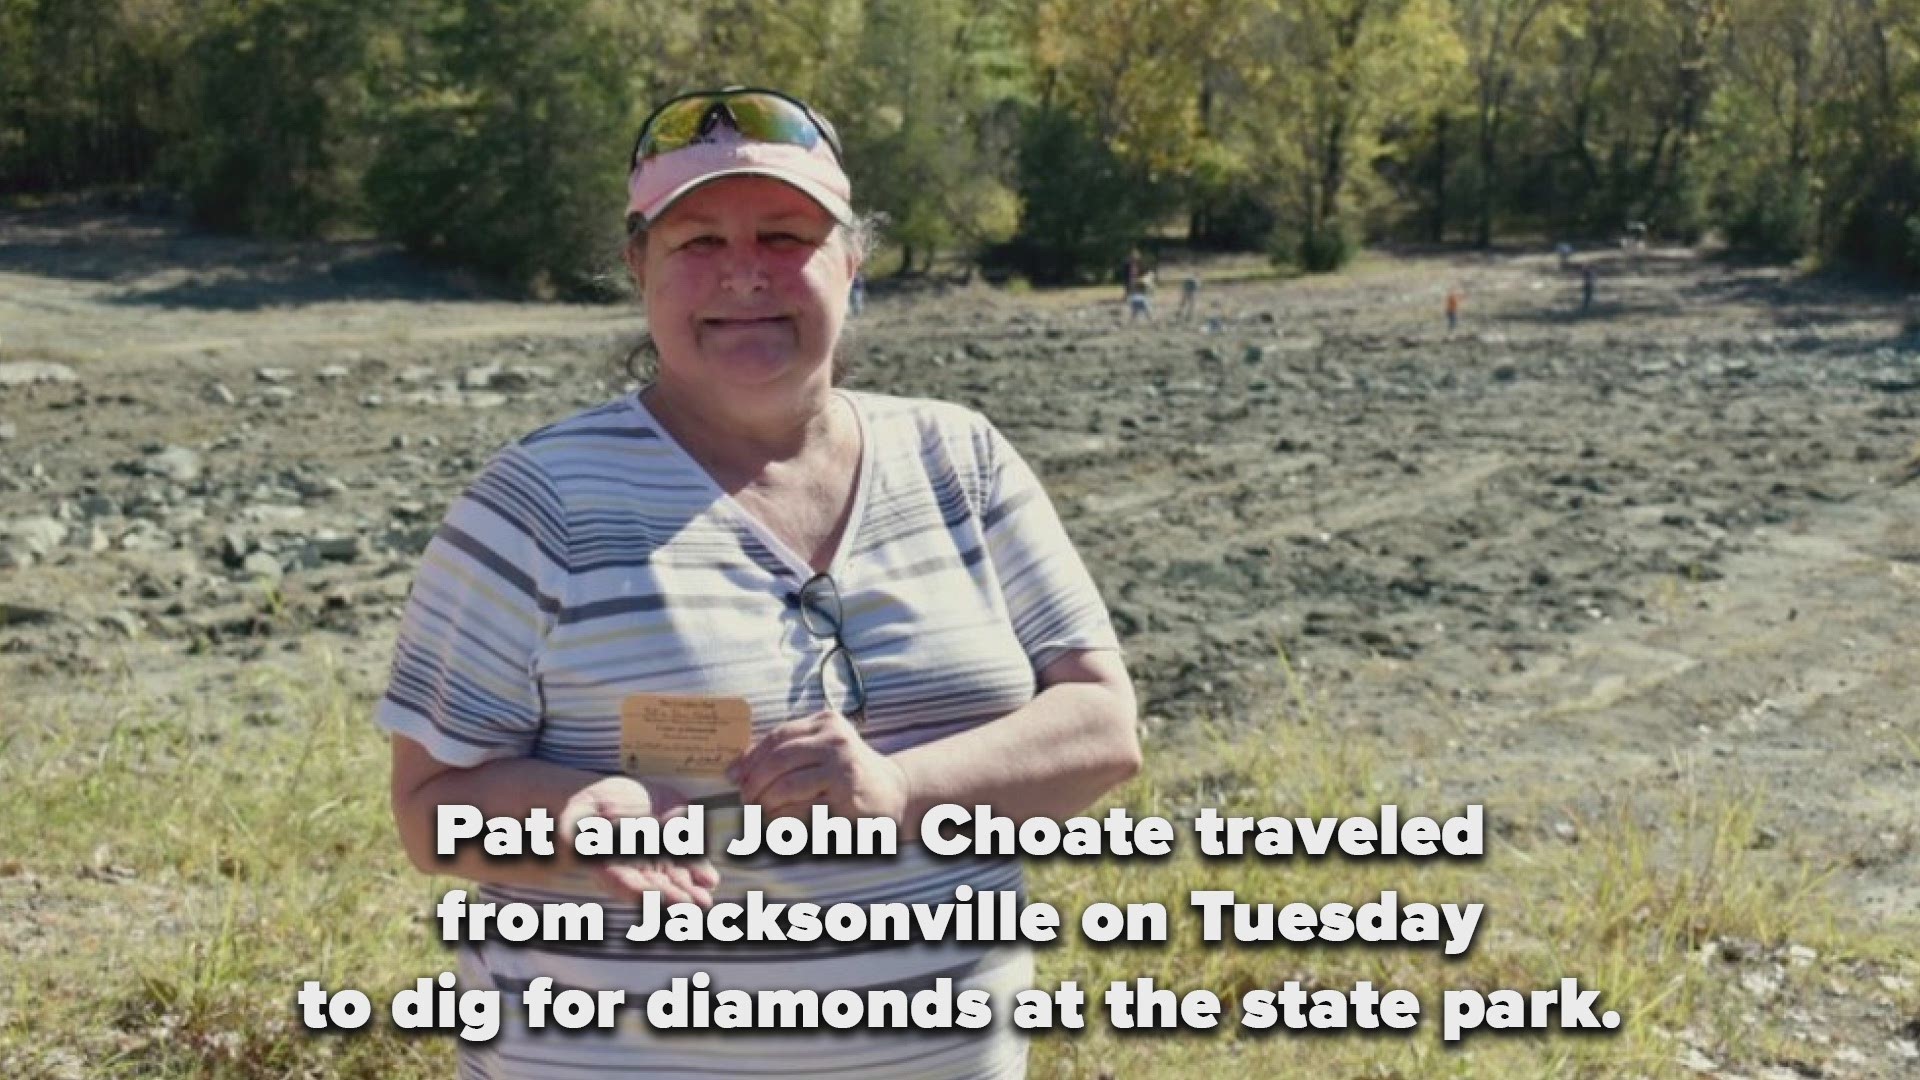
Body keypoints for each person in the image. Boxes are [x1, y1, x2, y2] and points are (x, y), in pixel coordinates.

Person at [375, 86, 1140, 1079]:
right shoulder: (536, 506)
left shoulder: (962, 461)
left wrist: (904, 788)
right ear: (638, 267)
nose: (744, 273)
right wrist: (566, 824)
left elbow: (1101, 727)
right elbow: (431, 808)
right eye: (696, 241)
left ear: (852, 262)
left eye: (785, 235)